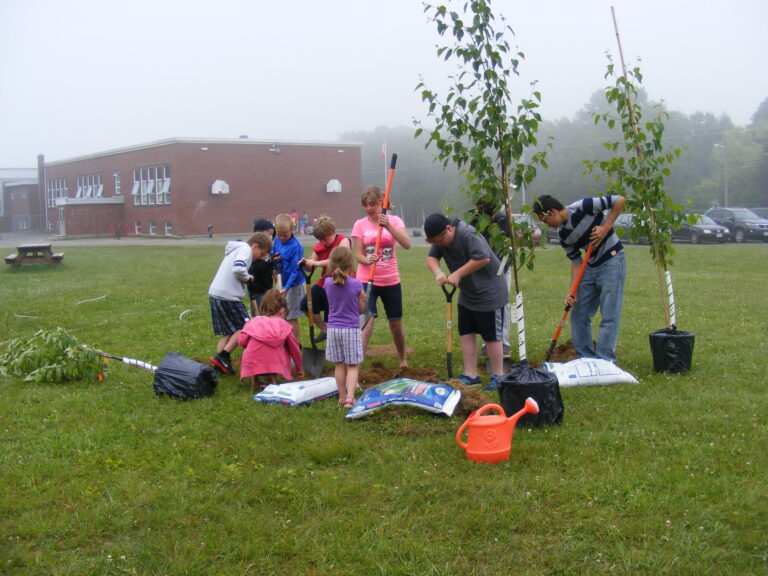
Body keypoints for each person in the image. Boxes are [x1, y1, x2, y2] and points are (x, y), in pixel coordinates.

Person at [532, 194, 626, 362]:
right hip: (590, 266)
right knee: (579, 314)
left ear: (553, 211)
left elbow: (619, 200)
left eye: (546, 221)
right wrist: (572, 292)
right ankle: (585, 358)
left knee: (609, 314)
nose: (548, 226)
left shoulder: (583, 206)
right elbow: (576, 262)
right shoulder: (563, 235)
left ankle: (605, 360)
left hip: (612, 260)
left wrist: (605, 227)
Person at [424, 213, 509, 391]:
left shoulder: (467, 233)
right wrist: (438, 272)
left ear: (449, 228)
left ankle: (498, 375)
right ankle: (470, 375)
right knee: (466, 332)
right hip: (468, 294)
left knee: (492, 337)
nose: (441, 245)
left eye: (441, 240)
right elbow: (431, 258)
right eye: (436, 242)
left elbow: (483, 257)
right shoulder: (440, 239)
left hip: (490, 293)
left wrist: (458, 273)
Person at [352, 185, 411, 368]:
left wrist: (389, 226)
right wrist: (368, 260)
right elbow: (357, 254)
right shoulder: (359, 224)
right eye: (365, 205)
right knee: (367, 323)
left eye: (372, 204)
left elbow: (407, 244)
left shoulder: (394, 220)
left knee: (395, 324)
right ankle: (358, 366)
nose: (369, 209)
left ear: (381, 203)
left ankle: (402, 359)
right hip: (366, 280)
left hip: (391, 280)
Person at [208, 232, 273, 375]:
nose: (261, 258)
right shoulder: (245, 249)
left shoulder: (236, 249)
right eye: (262, 253)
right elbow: (238, 269)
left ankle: (220, 366)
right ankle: (223, 356)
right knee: (245, 327)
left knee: (229, 332)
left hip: (215, 293)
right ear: (255, 246)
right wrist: (248, 278)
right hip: (227, 296)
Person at [466, 197, 512, 357]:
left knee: (502, 304)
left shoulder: (503, 220)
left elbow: (510, 245)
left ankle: (504, 343)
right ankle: (489, 342)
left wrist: (501, 268)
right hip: (480, 269)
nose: (490, 220)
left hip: (501, 267)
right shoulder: (470, 220)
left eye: (491, 216)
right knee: (485, 305)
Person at [323, 246, 366, 409]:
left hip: (333, 329)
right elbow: (361, 310)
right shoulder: (356, 285)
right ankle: (350, 398)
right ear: (351, 265)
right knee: (352, 365)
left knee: (339, 365)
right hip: (350, 329)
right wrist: (362, 298)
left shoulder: (327, 283)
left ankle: (341, 397)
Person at [298, 216, 352, 341]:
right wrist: (306, 263)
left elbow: (340, 260)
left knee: (333, 316)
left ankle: (337, 340)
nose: (323, 242)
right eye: (320, 240)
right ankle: (325, 330)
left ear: (333, 232)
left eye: (325, 239)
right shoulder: (318, 247)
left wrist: (316, 263)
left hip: (342, 283)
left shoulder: (343, 241)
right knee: (305, 304)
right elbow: (311, 266)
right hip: (326, 283)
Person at [238, 289, 304, 389]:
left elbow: (241, 341)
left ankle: (255, 379)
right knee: (274, 351)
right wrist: (299, 368)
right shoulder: (284, 325)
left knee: (253, 348)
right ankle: (273, 381)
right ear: (282, 311)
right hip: (273, 363)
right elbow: (294, 348)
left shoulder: (253, 322)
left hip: (252, 361)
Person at [273, 213, 306, 344]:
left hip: (294, 285)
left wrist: (286, 288)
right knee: (281, 314)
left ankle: (295, 346)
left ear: (292, 230)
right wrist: (275, 258)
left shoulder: (296, 246)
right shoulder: (276, 239)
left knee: (291, 316)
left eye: (284, 235)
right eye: (279, 234)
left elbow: (295, 270)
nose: (281, 238)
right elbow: (274, 252)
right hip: (281, 281)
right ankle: (285, 342)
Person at [247, 218, 277, 316]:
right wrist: (267, 261)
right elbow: (254, 270)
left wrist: (272, 260)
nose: (271, 237)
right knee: (259, 316)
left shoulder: (266, 252)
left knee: (268, 314)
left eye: (272, 234)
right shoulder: (253, 252)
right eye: (268, 234)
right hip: (257, 291)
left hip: (267, 288)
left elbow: (270, 266)